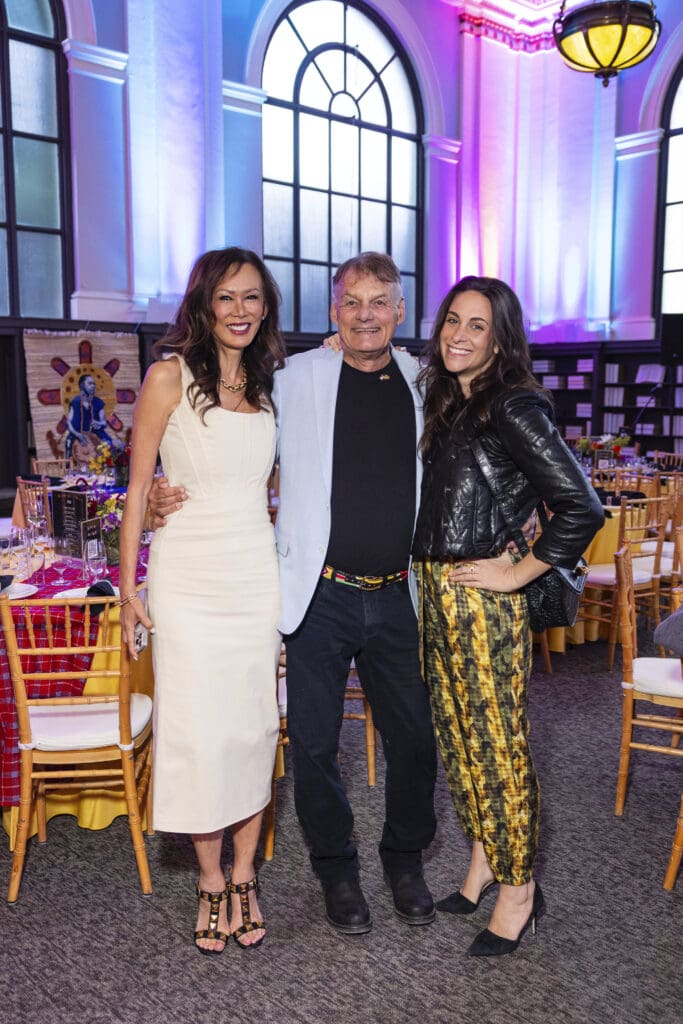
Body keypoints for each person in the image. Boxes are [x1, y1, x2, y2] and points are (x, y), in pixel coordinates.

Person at [150, 252, 438, 935]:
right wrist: (167, 494)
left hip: (399, 593)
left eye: (379, 302)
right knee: (311, 745)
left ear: (400, 311)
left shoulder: (428, 383)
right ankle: (335, 869)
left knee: (414, 741)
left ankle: (404, 860)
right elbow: (223, 439)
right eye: (351, 302)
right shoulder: (289, 378)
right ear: (333, 312)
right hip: (317, 594)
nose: (364, 315)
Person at [411, 276, 604, 956]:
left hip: (482, 600)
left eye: (477, 326)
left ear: (500, 341)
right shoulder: (452, 402)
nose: (459, 335)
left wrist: (518, 572)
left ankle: (519, 891)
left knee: (496, 747)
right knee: (459, 742)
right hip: (438, 591)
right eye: (452, 321)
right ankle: (484, 860)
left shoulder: (513, 405)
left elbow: (582, 506)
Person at [118, 247, 286, 955]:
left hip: (254, 575)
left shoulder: (272, 385)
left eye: (252, 297)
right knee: (196, 731)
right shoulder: (168, 376)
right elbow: (137, 490)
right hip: (186, 576)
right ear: (203, 304)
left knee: (252, 729)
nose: (240, 310)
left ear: (266, 306)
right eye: (227, 297)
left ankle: (246, 873)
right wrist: (127, 588)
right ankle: (210, 880)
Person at [64, 373, 118, 458]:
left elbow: (104, 423)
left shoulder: (98, 402)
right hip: (77, 433)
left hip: (95, 432)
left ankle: (109, 464)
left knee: (109, 442)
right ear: (82, 386)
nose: (93, 386)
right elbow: (69, 423)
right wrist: (78, 435)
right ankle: (68, 465)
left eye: (93, 384)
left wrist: (97, 423)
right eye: (90, 383)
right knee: (68, 442)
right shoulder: (75, 402)